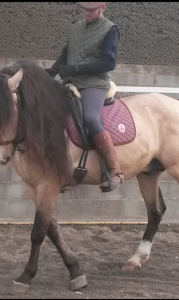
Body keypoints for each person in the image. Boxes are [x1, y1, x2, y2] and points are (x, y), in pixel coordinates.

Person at [45, 2, 124, 191]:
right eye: (84, 10)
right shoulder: (76, 27)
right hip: (72, 81)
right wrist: (52, 71)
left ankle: (116, 171)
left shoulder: (110, 29)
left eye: (91, 10)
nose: (87, 13)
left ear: (102, 7)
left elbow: (109, 62)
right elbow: (67, 53)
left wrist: (76, 69)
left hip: (94, 83)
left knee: (90, 118)